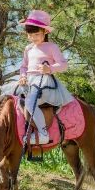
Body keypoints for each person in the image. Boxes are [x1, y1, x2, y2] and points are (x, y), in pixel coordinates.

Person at [19, 10, 74, 144]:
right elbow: (24, 66)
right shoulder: (28, 49)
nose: (33, 37)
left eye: (37, 34)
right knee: (12, 101)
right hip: (28, 81)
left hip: (44, 81)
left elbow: (63, 64)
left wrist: (49, 68)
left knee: (30, 102)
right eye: (30, 34)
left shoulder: (51, 47)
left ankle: (43, 133)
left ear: (45, 32)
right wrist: (22, 76)